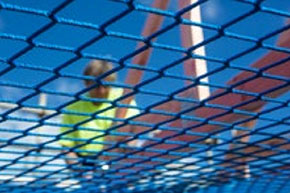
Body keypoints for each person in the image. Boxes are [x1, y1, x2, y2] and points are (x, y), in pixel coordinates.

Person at [59, 59, 139, 170]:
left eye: (106, 86)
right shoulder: (73, 108)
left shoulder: (123, 99)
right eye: (96, 86)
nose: (101, 91)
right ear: (86, 84)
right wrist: (78, 169)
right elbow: (67, 146)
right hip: (86, 162)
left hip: (117, 154)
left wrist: (128, 152)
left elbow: (134, 130)